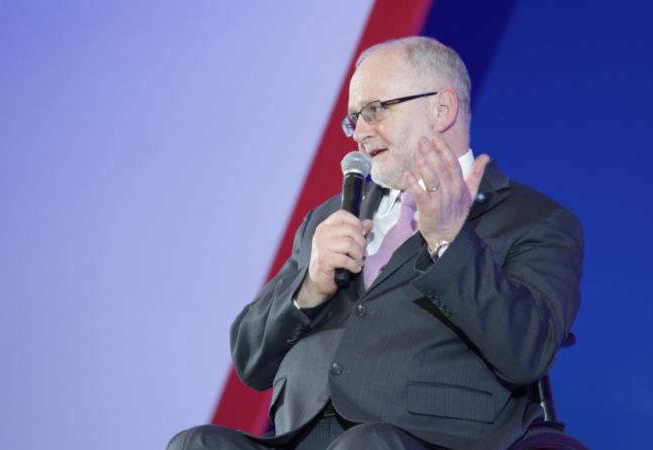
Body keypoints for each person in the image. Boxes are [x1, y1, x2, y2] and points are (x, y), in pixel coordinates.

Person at [168, 36, 584, 450]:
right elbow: (250, 360)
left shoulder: (534, 220)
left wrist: (449, 242)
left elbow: (526, 351)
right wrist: (310, 288)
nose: (360, 134)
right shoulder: (332, 215)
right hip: (301, 437)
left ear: (442, 108)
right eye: (354, 119)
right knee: (196, 443)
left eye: (375, 110)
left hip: (423, 441)